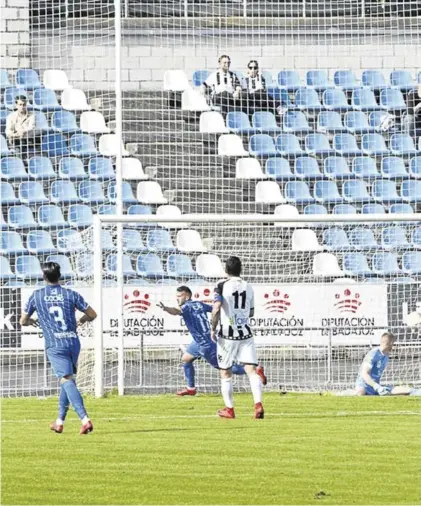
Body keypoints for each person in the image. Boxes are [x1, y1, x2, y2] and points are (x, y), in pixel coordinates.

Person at [20, 262, 97, 434]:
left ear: (43, 277)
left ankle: (85, 419)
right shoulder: (70, 294)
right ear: (59, 276)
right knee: (67, 380)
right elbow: (92, 314)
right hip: (72, 342)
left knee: (67, 380)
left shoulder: (37, 296)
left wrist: (32, 321)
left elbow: (22, 321)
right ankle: (59, 421)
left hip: (55, 345)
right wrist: (82, 320)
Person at [158, 286, 267, 396]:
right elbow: (214, 309)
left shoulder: (186, 306)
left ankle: (255, 369)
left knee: (224, 368)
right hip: (198, 342)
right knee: (186, 359)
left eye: (179, 296)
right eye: (176, 296)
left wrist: (166, 308)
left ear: (187, 296)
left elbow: (176, 311)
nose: (177, 299)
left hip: (205, 344)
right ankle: (191, 388)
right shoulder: (199, 304)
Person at [211, 256, 264, 419]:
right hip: (246, 333)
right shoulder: (248, 287)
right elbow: (251, 312)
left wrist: (212, 327)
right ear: (241, 269)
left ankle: (229, 409)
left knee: (225, 373)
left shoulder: (221, 286)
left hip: (227, 335)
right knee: (251, 370)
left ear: (226, 270)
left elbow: (216, 308)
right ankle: (258, 404)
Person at [354, 331, 421, 396]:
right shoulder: (373, 354)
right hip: (364, 385)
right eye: (393, 343)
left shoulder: (386, 355)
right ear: (390, 343)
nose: (393, 346)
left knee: (392, 390)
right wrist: (376, 386)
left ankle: (414, 391)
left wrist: (378, 387)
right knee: (360, 393)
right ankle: (349, 392)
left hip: (375, 386)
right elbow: (364, 374)